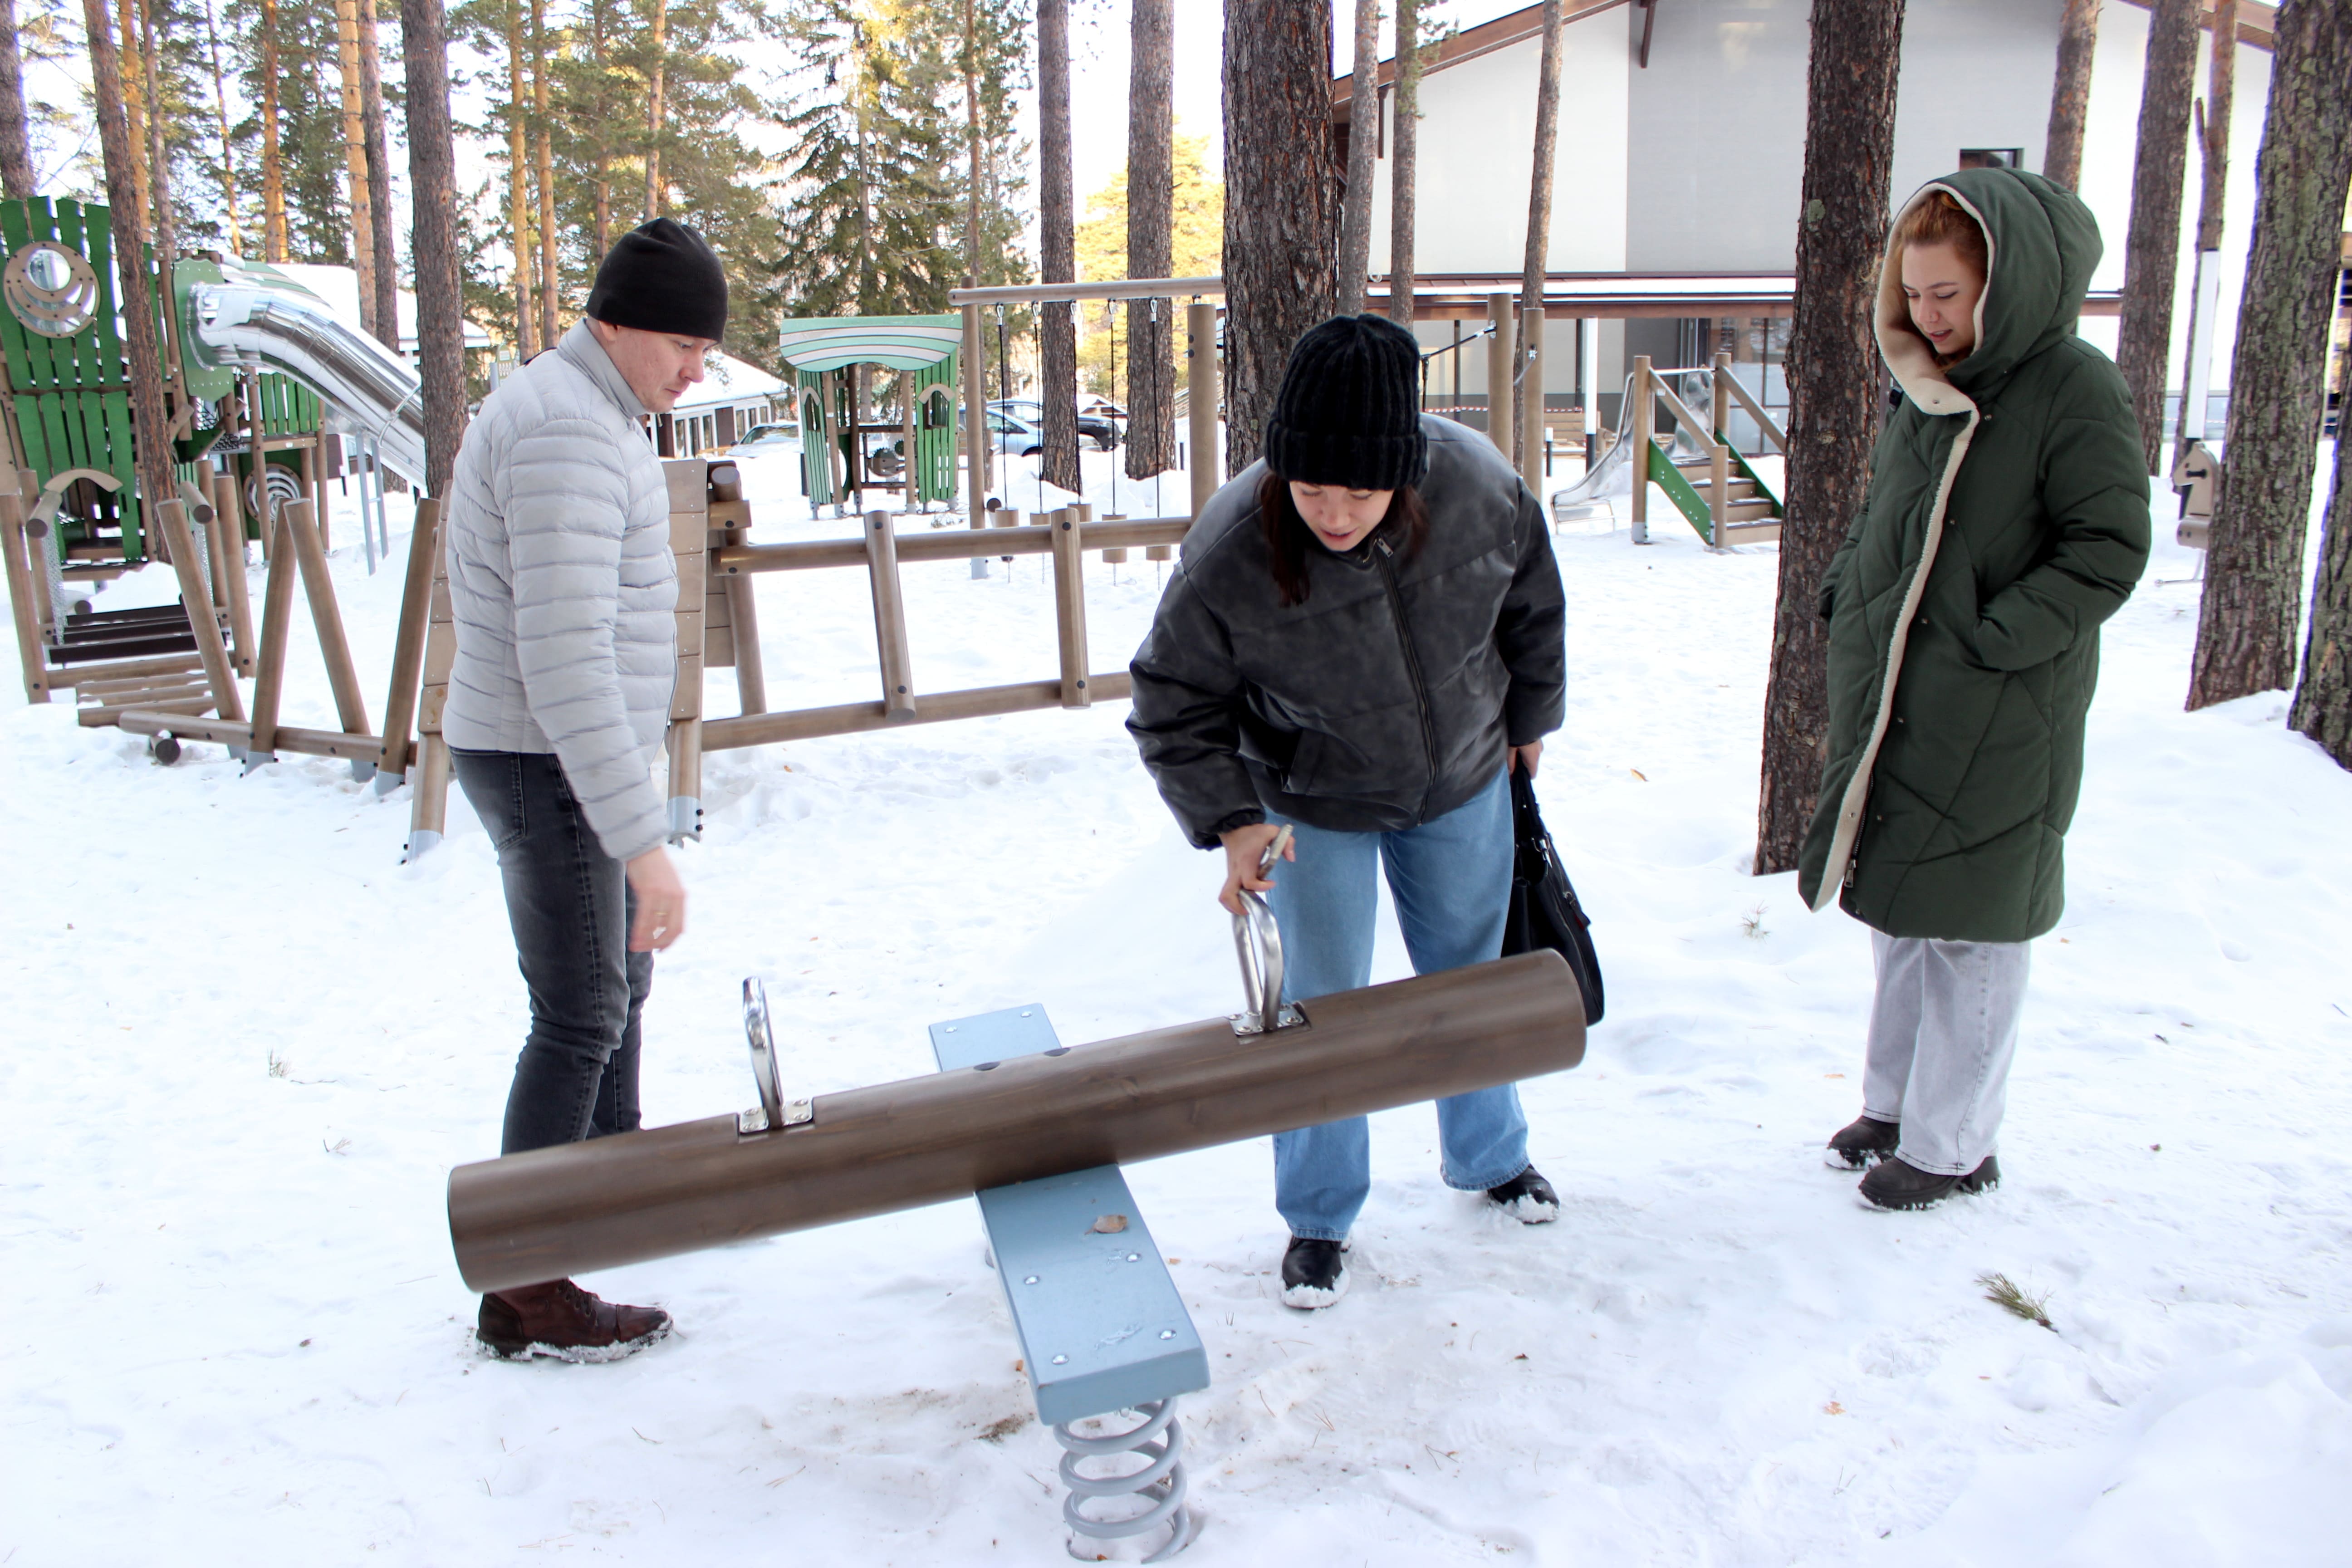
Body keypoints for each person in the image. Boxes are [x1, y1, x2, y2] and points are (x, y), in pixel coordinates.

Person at [1127, 314, 1568, 1308]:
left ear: (1405, 472)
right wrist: (1233, 819)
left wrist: (1529, 718)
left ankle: (1492, 1159)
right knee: (1320, 1009)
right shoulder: (1236, 544)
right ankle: (1318, 1219)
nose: (1333, 511)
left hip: (1458, 779)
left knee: (1469, 977)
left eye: (1360, 491)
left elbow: (1534, 605)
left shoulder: (1480, 488)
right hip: (1307, 801)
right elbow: (1168, 697)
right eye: (1311, 488)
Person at [1802, 169, 2150, 1210]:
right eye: (1913, 293)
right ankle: (1897, 1106)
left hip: (2001, 712)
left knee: (1974, 929)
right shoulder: (1928, 381)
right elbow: (1892, 510)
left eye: (1948, 293)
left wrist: (1998, 640)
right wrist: (1846, 586)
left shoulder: (2073, 387)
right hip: (1907, 698)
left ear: (2005, 283)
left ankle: (1957, 1148)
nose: (1926, 314)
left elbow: (2109, 548)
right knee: (1903, 912)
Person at [442, 218, 724, 1357]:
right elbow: (564, 660)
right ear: (613, 323)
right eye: (683, 342)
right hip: (538, 755)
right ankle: (526, 1287)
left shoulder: (593, 412)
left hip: (556, 751)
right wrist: (643, 839)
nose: (698, 368)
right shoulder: (564, 428)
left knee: (620, 989)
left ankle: (602, 1190)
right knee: (582, 1014)